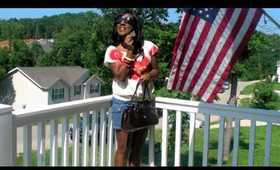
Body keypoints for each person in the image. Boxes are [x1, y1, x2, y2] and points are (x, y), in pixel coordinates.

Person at [103, 12, 159, 166]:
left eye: (127, 22)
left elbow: (156, 71)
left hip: (145, 103)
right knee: (123, 149)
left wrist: (149, 75)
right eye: (119, 22)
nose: (122, 24)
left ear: (134, 27)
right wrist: (130, 51)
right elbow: (120, 76)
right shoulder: (112, 51)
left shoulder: (148, 46)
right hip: (123, 104)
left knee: (136, 149)